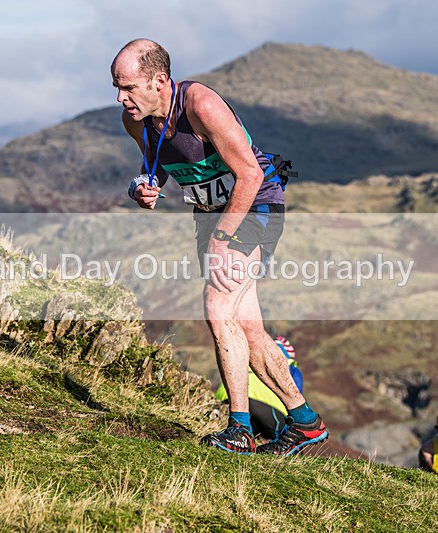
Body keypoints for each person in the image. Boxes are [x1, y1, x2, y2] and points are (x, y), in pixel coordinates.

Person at [111, 39, 327, 455]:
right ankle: (305, 422)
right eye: (116, 88)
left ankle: (240, 429)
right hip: (210, 214)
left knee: (217, 306)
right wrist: (145, 186)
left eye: (128, 88)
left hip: (256, 203)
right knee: (246, 325)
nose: (121, 98)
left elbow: (247, 174)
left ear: (160, 81)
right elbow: (155, 164)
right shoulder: (134, 120)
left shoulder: (201, 106)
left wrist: (223, 240)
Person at [214, 336, 305, 440]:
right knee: (289, 437)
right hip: (267, 410)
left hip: (228, 401)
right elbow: (296, 404)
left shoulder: (246, 360)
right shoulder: (291, 368)